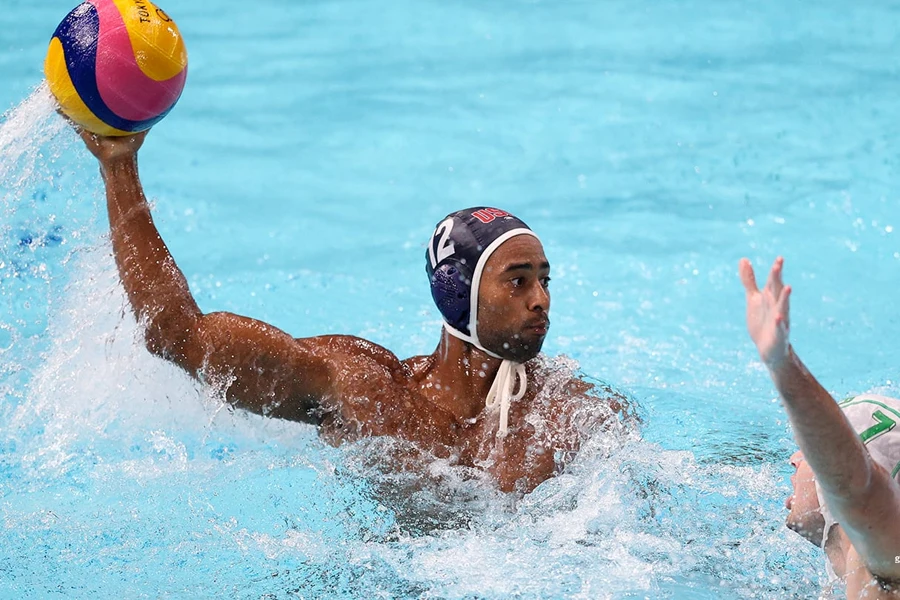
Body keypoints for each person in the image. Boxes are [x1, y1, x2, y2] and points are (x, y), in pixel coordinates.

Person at [76, 127, 632, 494]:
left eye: (543, 280)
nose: (541, 299)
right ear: (457, 292)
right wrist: (118, 166)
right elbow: (178, 334)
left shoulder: (566, 412)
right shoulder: (367, 390)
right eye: (517, 281)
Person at [740, 256, 900, 598]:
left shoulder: (888, 571)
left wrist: (783, 365)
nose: (796, 458)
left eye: (811, 450)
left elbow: (860, 485)